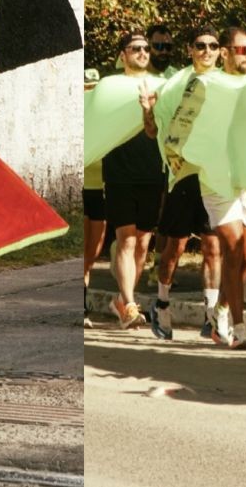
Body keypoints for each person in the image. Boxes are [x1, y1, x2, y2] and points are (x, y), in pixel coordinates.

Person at [142, 29, 224, 341]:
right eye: (200, 45)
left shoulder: (226, 82)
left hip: (214, 176)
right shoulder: (174, 83)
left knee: (213, 245)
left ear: (219, 51)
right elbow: (153, 131)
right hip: (182, 175)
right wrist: (147, 110)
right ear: (190, 49)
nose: (207, 51)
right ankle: (161, 304)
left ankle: (212, 314)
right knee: (174, 247)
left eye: (213, 46)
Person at [203, 27, 246, 348]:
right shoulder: (206, 83)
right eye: (242, 50)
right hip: (215, 177)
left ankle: (222, 309)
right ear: (224, 53)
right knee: (235, 245)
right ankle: (238, 329)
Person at [102, 34, 167, 329]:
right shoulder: (111, 87)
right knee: (126, 239)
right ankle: (129, 304)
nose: (142, 52)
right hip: (119, 174)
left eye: (145, 48)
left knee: (142, 243)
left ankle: (122, 299)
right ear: (123, 54)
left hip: (152, 173)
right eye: (135, 49)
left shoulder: (162, 86)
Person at [82, 69, 109, 329]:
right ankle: (82, 308)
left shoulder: (104, 120)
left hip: (100, 189)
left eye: (93, 88)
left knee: (93, 252)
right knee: (82, 250)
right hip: (83, 187)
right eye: (85, 87)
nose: (89, 92)